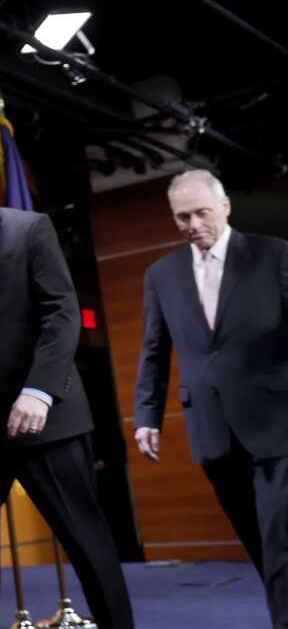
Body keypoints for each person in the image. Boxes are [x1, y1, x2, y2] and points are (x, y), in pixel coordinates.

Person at [0, 143, 133, 629]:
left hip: (45, 424)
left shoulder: (28, 229)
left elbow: (62, 315)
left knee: (88, 546)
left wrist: (39, 390)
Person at [134, 168, 288, 628]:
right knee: (258, 539)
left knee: (281, 538)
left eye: (202, 212)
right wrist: (146, 415)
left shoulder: (272, 254)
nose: (193, 224)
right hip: (212, 429)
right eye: (183, 217)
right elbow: (154, 349)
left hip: (276, 421)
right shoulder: (160, 274)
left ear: (225, 206)